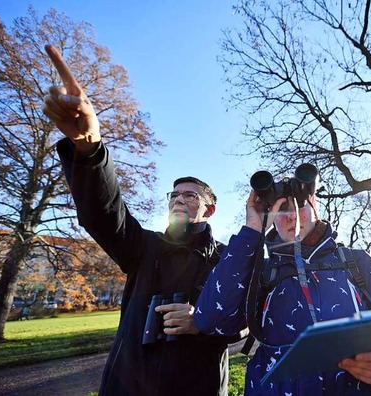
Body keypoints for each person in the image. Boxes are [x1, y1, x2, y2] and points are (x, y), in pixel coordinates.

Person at [42, 45, 232, 396]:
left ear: (209, 209)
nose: (179, 200)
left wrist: (202, 322)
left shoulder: (227, 258)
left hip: (198, 386)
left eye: (190, 196)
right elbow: (103, 211)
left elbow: (245, 322)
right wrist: (89, 146)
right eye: (174, 195)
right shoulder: (142, 247)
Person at [195, 183, 371, 395]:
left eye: (300, 204)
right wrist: (252, 230)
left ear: (314, 204)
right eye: (281, 208)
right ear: (271, 217)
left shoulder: (354, 262)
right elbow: (209, 320)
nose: (291, 216)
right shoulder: (261, 272)